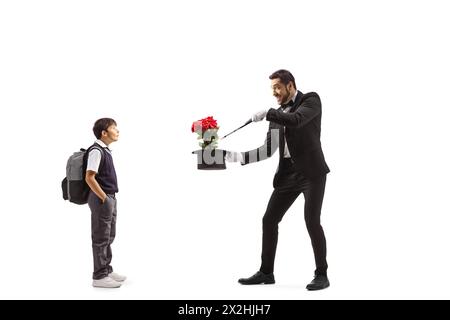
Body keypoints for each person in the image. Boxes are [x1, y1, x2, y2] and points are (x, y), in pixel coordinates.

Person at [225, 69, 330, 290]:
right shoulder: (278, 115)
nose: (274, 93)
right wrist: (238, 157)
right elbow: (267, 150)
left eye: (277, 87)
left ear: (290, 85)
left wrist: (268, 113)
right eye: (271, 89)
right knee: (269, 219)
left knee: (312, 221)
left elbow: (297, 119)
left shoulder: (310, 100)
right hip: (288, 175)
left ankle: (321, 274)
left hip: (312, 173)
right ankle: (266, 272)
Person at [85, 118, 126, 288]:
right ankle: (99, 276)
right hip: (102, 198)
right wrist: (104, 198)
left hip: (109, 197)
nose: (118, 131)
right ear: (104, 132)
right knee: (101, 237)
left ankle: (106, 270)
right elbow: (89, 177)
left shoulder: (105, 150)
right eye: (114, 128)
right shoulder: (96, 150)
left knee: (109, 235)